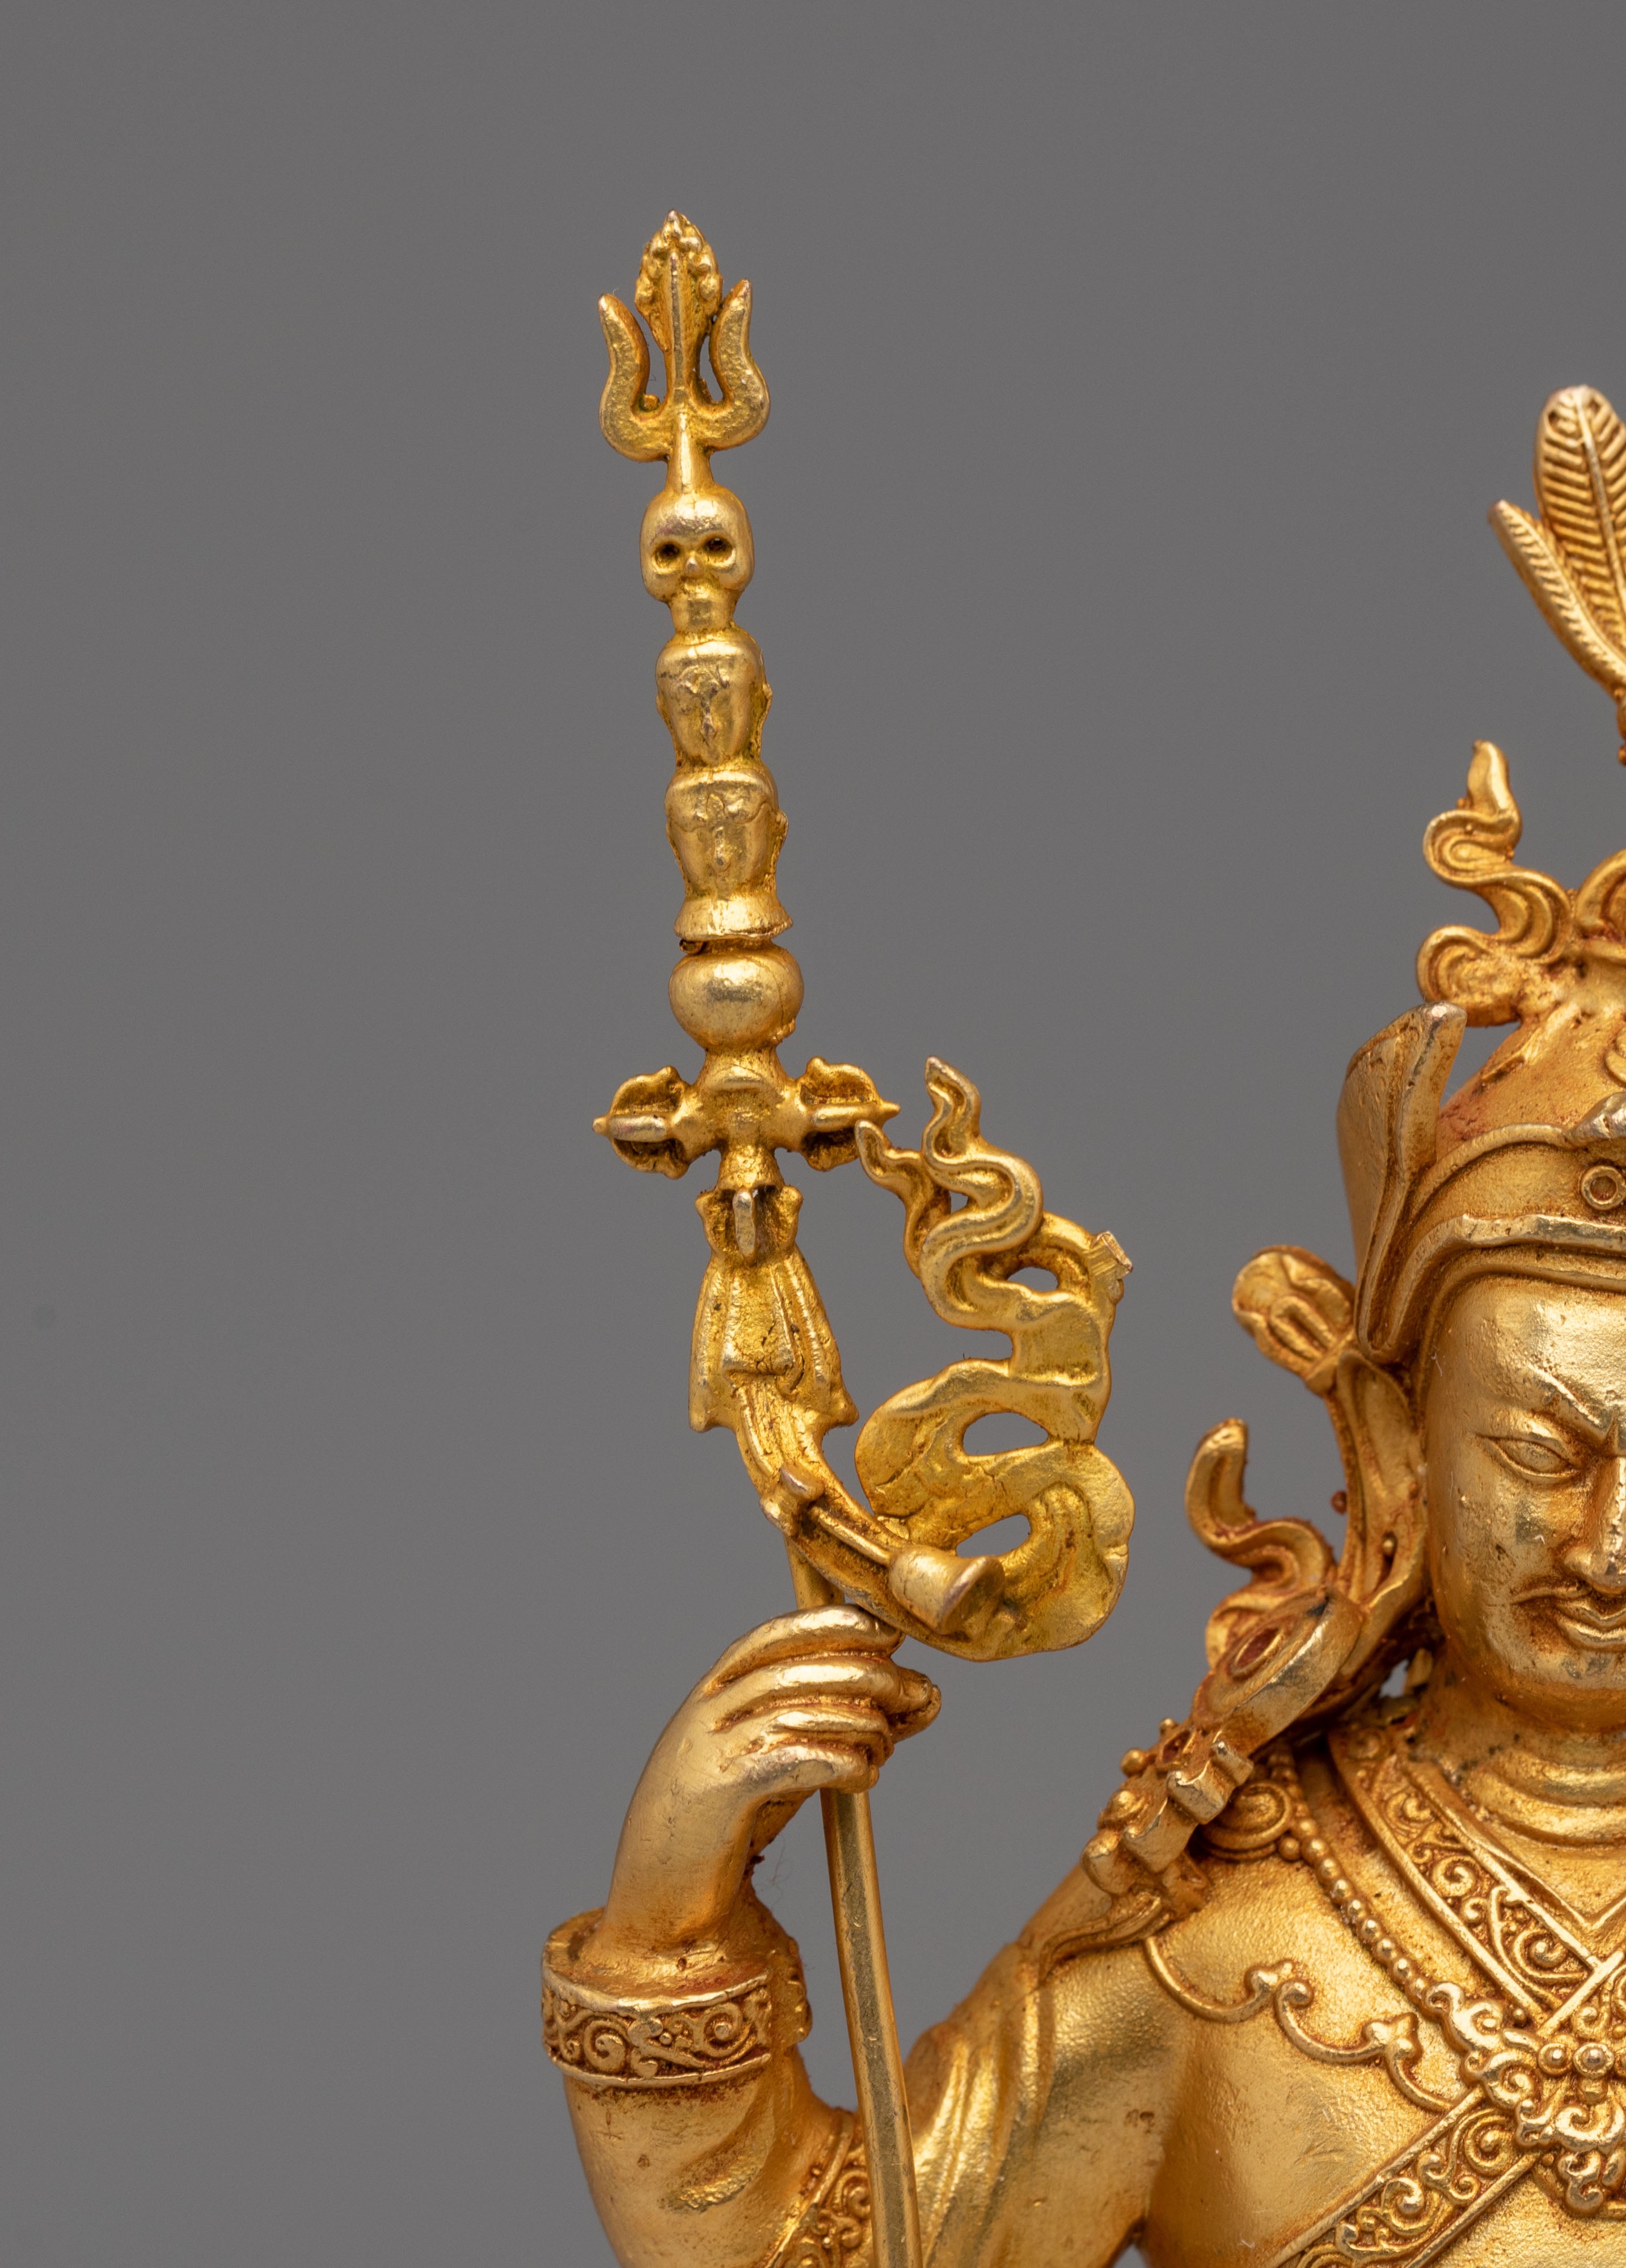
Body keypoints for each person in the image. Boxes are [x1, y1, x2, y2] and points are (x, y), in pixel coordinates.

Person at [542, 393, 1626, 2264]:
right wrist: (669, 1923)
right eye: (1545, 1450)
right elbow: (830, 2254)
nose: (1611, 1545)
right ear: (1392, 1440)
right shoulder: (1231, 1927)